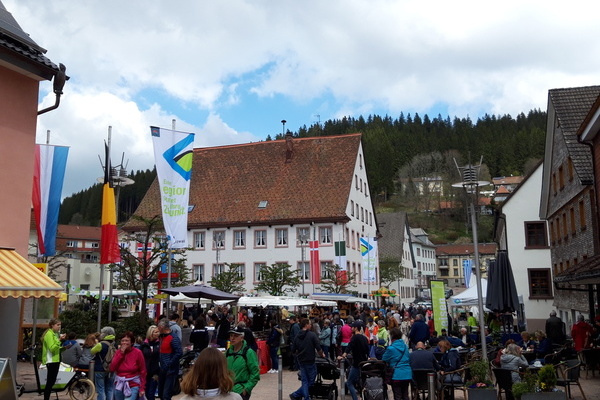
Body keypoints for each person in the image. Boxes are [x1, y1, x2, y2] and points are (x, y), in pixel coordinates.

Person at [290, 318, 324, 400]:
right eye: (309, 324)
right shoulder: (312, 335)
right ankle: (302, 396)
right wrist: (322, 355)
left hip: (301, 360)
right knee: (311, 381)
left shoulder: (297, 336)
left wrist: (298, 353)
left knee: (305, 381)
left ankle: (298, 395)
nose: (311, 325)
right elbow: (318, 347)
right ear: (306, 325)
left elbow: (293, 349)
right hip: (310, 360)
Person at [110, 331, 147, 400]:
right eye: (122, 341)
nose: (124, 343)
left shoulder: (138, 352)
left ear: (132, 342)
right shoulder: (118, 352)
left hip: (133, 384)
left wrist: (142, 388)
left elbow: (143, 371)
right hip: (119, 384)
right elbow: (112, 368)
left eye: (127, 341)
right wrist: (121, 354)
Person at [226, 326, 260, 400]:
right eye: (231, 335)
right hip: (227, 390)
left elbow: (255, 373)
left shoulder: (249, 352)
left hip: (241, 390)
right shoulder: (228, 352)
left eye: (235, 336)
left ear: (242, 337)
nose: (232, 338)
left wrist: (247, 389)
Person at [339, 320, 370, 400]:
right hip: (364, 364)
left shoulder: (354, 337)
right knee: (362, 384)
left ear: (356, 328)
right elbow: (367, 351)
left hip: (356, 364)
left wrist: (343, 355)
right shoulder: (364, 338)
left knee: (349, 383)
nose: (350, 329)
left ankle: (355, 398)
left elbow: (349, 347)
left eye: (352, 327)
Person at [382, 327, 412, 400]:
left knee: (397, 395)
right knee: (405, 395)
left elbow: (384, 359)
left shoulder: (391, 348)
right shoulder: (405, 347)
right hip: (407, 374)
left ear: (391, 336)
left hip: (396, 375)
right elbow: (408, 358)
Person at [158, 319, 183, 400]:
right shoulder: (162, 337)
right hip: (163, 369)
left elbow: (179, 353)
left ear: (162, 327)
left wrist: (169, 363)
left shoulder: (173, 338)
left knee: (166, 394)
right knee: (161, 393)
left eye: (159, 327)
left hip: (170, 370)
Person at [41, 319, 65, 400]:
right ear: (52, 325)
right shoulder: (49, 334)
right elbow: (51, 348)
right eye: (58, 325)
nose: (59, 327)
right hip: (50, 360)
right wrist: (59, 340)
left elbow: (56, 348)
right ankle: (46, 398)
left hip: (55, 360)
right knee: (50, 382)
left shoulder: (55, 334)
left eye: (60, 325)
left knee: (52, 381)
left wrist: (63, 348)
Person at [92, 326, 117, 400]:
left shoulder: (101, 344)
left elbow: (92, 351)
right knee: (110, 388)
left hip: (100, 368)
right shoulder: (115, 344)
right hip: (111, 369)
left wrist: (96, 343)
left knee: (101, 389)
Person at [140, 325, 161, 400]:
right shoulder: (144, 344)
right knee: (144, 392)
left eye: (158, 332)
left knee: (151, 393)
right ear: (151, 333)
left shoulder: (159, 343)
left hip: (155, 372)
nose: (157, 334)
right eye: (155, 332)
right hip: (145, 372)